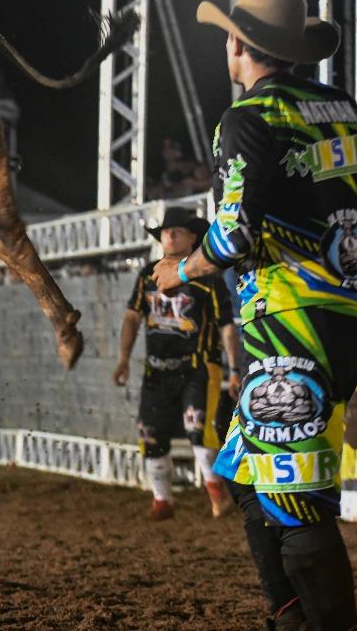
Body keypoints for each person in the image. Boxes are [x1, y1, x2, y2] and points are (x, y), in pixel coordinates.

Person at [153, 0, 357, 629]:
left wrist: (179, 271)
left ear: (238, 45)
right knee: (246, 473)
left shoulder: (247, 117)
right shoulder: (341, 107)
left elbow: (234, 233)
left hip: (290, 319)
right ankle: (290, 616)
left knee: (298, 504)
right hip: (349, 311)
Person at [112, 207, 240, 521]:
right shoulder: (148, 275)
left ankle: (215, 490)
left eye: (177, 231)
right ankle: (162, 499)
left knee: (198, 430)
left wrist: (235, 368)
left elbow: (226, 326)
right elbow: (132, 317)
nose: (169, 235)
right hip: (156, 368)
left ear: (192, 237)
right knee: (150, 434)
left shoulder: (208, 278)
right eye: (166, 231)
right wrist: (124, 358)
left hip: (199, 366)